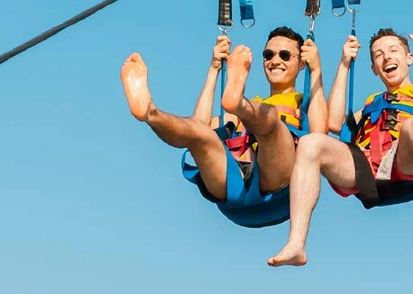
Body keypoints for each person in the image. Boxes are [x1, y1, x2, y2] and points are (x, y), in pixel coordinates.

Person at [266, 22, 413, 267]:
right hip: (365, 170)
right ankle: (296, 243)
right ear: (374, 69)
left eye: (393, 50)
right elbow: (334, 123)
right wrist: (344, 64)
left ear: (409, 58)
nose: (386, 57)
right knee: (310, 142)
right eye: (378, 55)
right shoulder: (369, 106)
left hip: (403, 164)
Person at [120, 27, 326, 228]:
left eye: (285, 55)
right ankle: (150, 113)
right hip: (232, 184)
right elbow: (199, 124)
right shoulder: (251, 105)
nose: (275, 60)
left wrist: (316, 69)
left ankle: (239, 104)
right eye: (268, 54)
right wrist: (214, 69)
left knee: (270, 120)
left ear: (301, 63)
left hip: (277, 184)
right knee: (200, 134)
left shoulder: (301, 104)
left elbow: (319, 134)